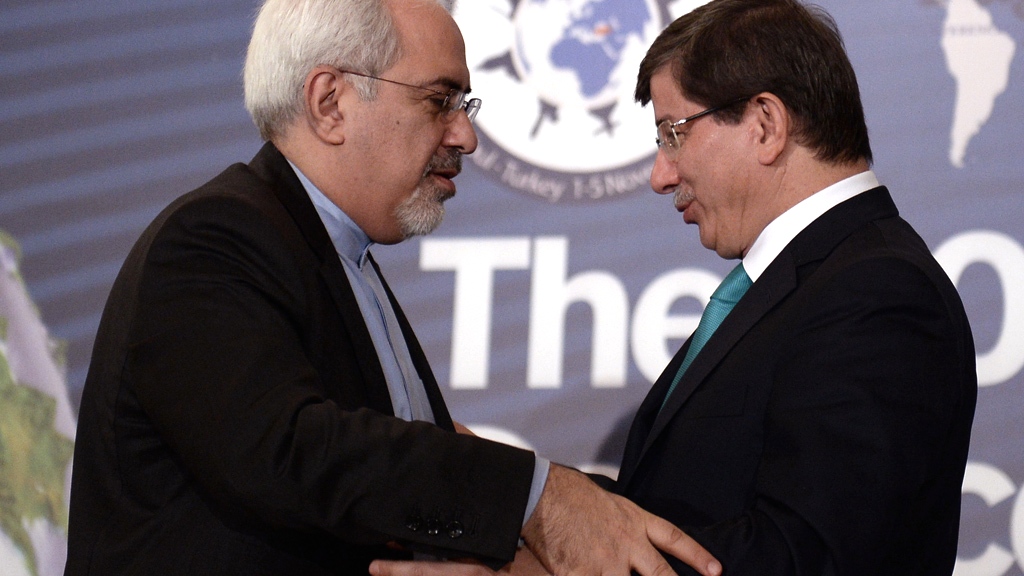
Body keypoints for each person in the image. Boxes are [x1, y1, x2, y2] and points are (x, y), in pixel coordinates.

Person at [62, 1, 722, 575]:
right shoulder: (216, 238)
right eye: (440, 101)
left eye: (464, 104)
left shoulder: (341, 259)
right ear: (330, 103)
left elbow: (395, 461)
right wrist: (536, 496)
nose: (465, 134)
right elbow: (288, 453)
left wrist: (576, 504)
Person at [370, 0, 977, 575]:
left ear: (766, 124)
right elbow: (677, 513)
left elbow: (809, 557)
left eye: (673, 134)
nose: (661, 175)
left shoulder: (876, 294)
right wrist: (517, 488)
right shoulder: (816, 284)